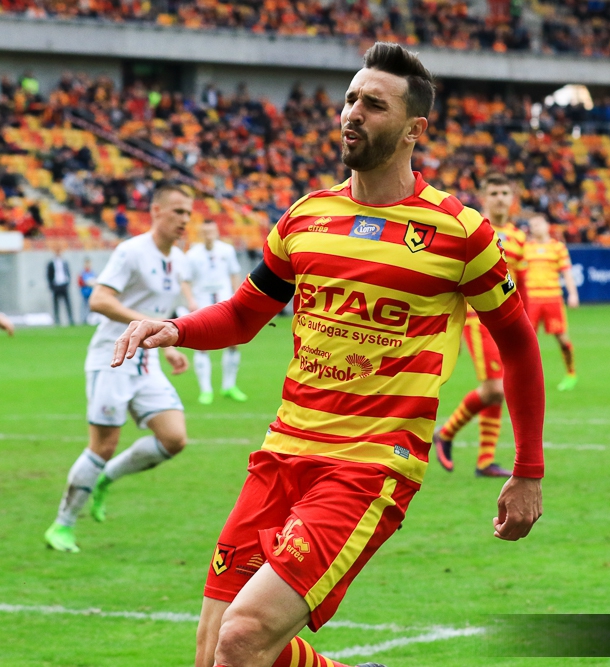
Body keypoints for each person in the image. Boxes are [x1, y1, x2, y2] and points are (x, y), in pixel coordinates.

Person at [110, 43, 545, 667]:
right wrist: (174, 328)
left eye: (374, 104)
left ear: (414, 129)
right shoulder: (306, 217)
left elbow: (519, 347)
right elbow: (243, 314)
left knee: (242, 637)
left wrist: (527, 470)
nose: (353, 112)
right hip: (281, 453)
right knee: (214, 654)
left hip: (370, 465)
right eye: (350, 99)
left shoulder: (459, 232)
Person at [44, 183, 194, 554]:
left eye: (188, 213)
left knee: (174, 438)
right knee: (104, 445)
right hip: (112, 358)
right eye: (178, 211)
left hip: (145, 360)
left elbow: (157, 314)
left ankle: (104, 479)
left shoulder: (178, 259)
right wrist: (148, 325)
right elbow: (99, 299)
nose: (185, 220)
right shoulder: (131, 251)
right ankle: (62, 525)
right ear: (156, 211)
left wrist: (166, 346)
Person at [434, 171, 526, 477]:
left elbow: (520, 285)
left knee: (499, 388)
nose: (500, 199)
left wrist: (524, 326)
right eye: (494, 193)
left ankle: (485, 461)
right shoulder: (473, 230)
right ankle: (446, 432)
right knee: (495, 388)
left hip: (506, 321)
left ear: (512, 199)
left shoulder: (519, 237)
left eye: (505, 193)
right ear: (484, 198)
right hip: (478, 319)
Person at [184, 221, 248, 405]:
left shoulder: (227, 250)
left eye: (211, 231)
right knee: (201, 344)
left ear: (217, 232)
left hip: (225, 301)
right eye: (205, 232)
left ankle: (229, 386)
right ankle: (206, 390)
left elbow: (234, 274)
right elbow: (185, 280)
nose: (208, 235)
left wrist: (237, 295)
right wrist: (191, 300)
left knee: (233, 342)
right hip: (202, 303)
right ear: (200, 234)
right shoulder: (192, 254)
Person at [524, 212, 580, 391]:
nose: (536, 228)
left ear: (547, 226)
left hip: (552, 297)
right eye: (533, 225)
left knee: (562, 338)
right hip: (531, 299)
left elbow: (567, 273)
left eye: (539, 224)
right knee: (527, 341)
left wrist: (573, 294)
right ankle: (527, 378)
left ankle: (571, 373)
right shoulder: (525, 247)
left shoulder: (558, 248)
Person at [46, 244, 75, 326]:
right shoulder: (51, 263)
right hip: (56, 285)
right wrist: (51, 286)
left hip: (64, 284)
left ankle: (70, 319)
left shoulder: (64, 262)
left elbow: (67, 272)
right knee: (56, 304)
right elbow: (49, 275)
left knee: (68, 303)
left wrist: (68, 282)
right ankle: (57, 320)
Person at [78, 257, 95, 321]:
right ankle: (83, 320)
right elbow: (80, 282)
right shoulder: (82, 273)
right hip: (84, 293)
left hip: (91, 293)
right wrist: (86, 283)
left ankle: (91, 320)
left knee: (91, 307)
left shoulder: (92, 273)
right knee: (84, 307)